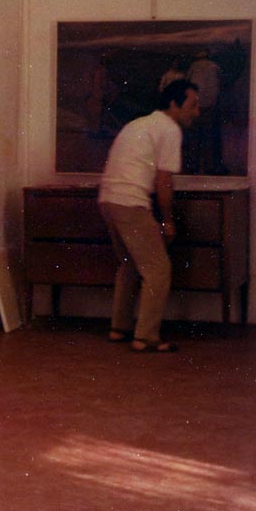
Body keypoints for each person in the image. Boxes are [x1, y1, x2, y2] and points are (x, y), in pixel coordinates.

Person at [98, 79, 200, 352]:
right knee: (158, 269)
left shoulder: (138, 124)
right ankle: (146, 337)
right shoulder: (169, 129)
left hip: (108, 200)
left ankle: (119, 328)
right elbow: (163, 181)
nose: (197, 112)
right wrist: (167, 221)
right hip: (130, 202)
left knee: (130, 264)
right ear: (174, 104)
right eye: (192, 105)